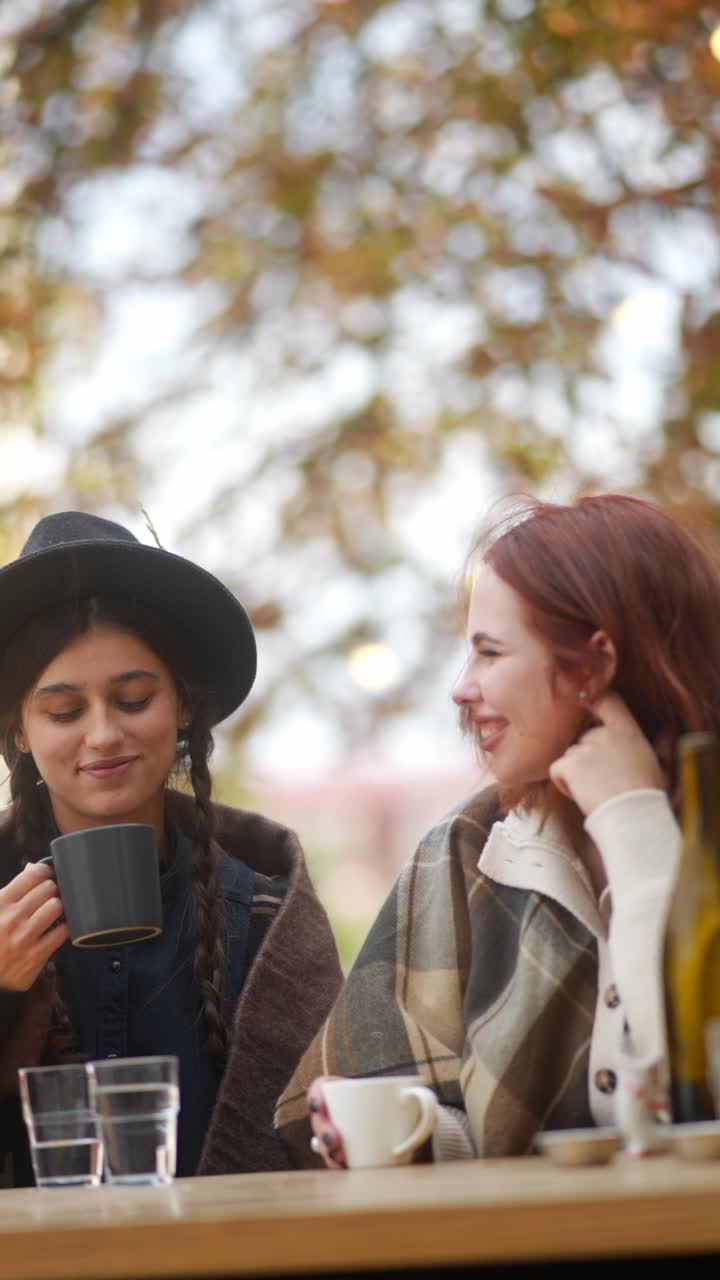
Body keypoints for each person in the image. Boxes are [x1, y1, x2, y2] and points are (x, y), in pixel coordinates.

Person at [274, 492, 720, 1167]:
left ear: (594, 666)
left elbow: (695, 1101)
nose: (461, 688)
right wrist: (419, 1135)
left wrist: (633, 828)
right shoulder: (467, 851)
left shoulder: (704, 836)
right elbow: (454, 1129)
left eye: (489, 653)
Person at [0, 511, 343, 1186]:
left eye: (133, 698)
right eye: (64, 712)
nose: (102, 735)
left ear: (183, 705)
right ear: (18, 732)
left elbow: (332, 1145)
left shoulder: (269, 917)